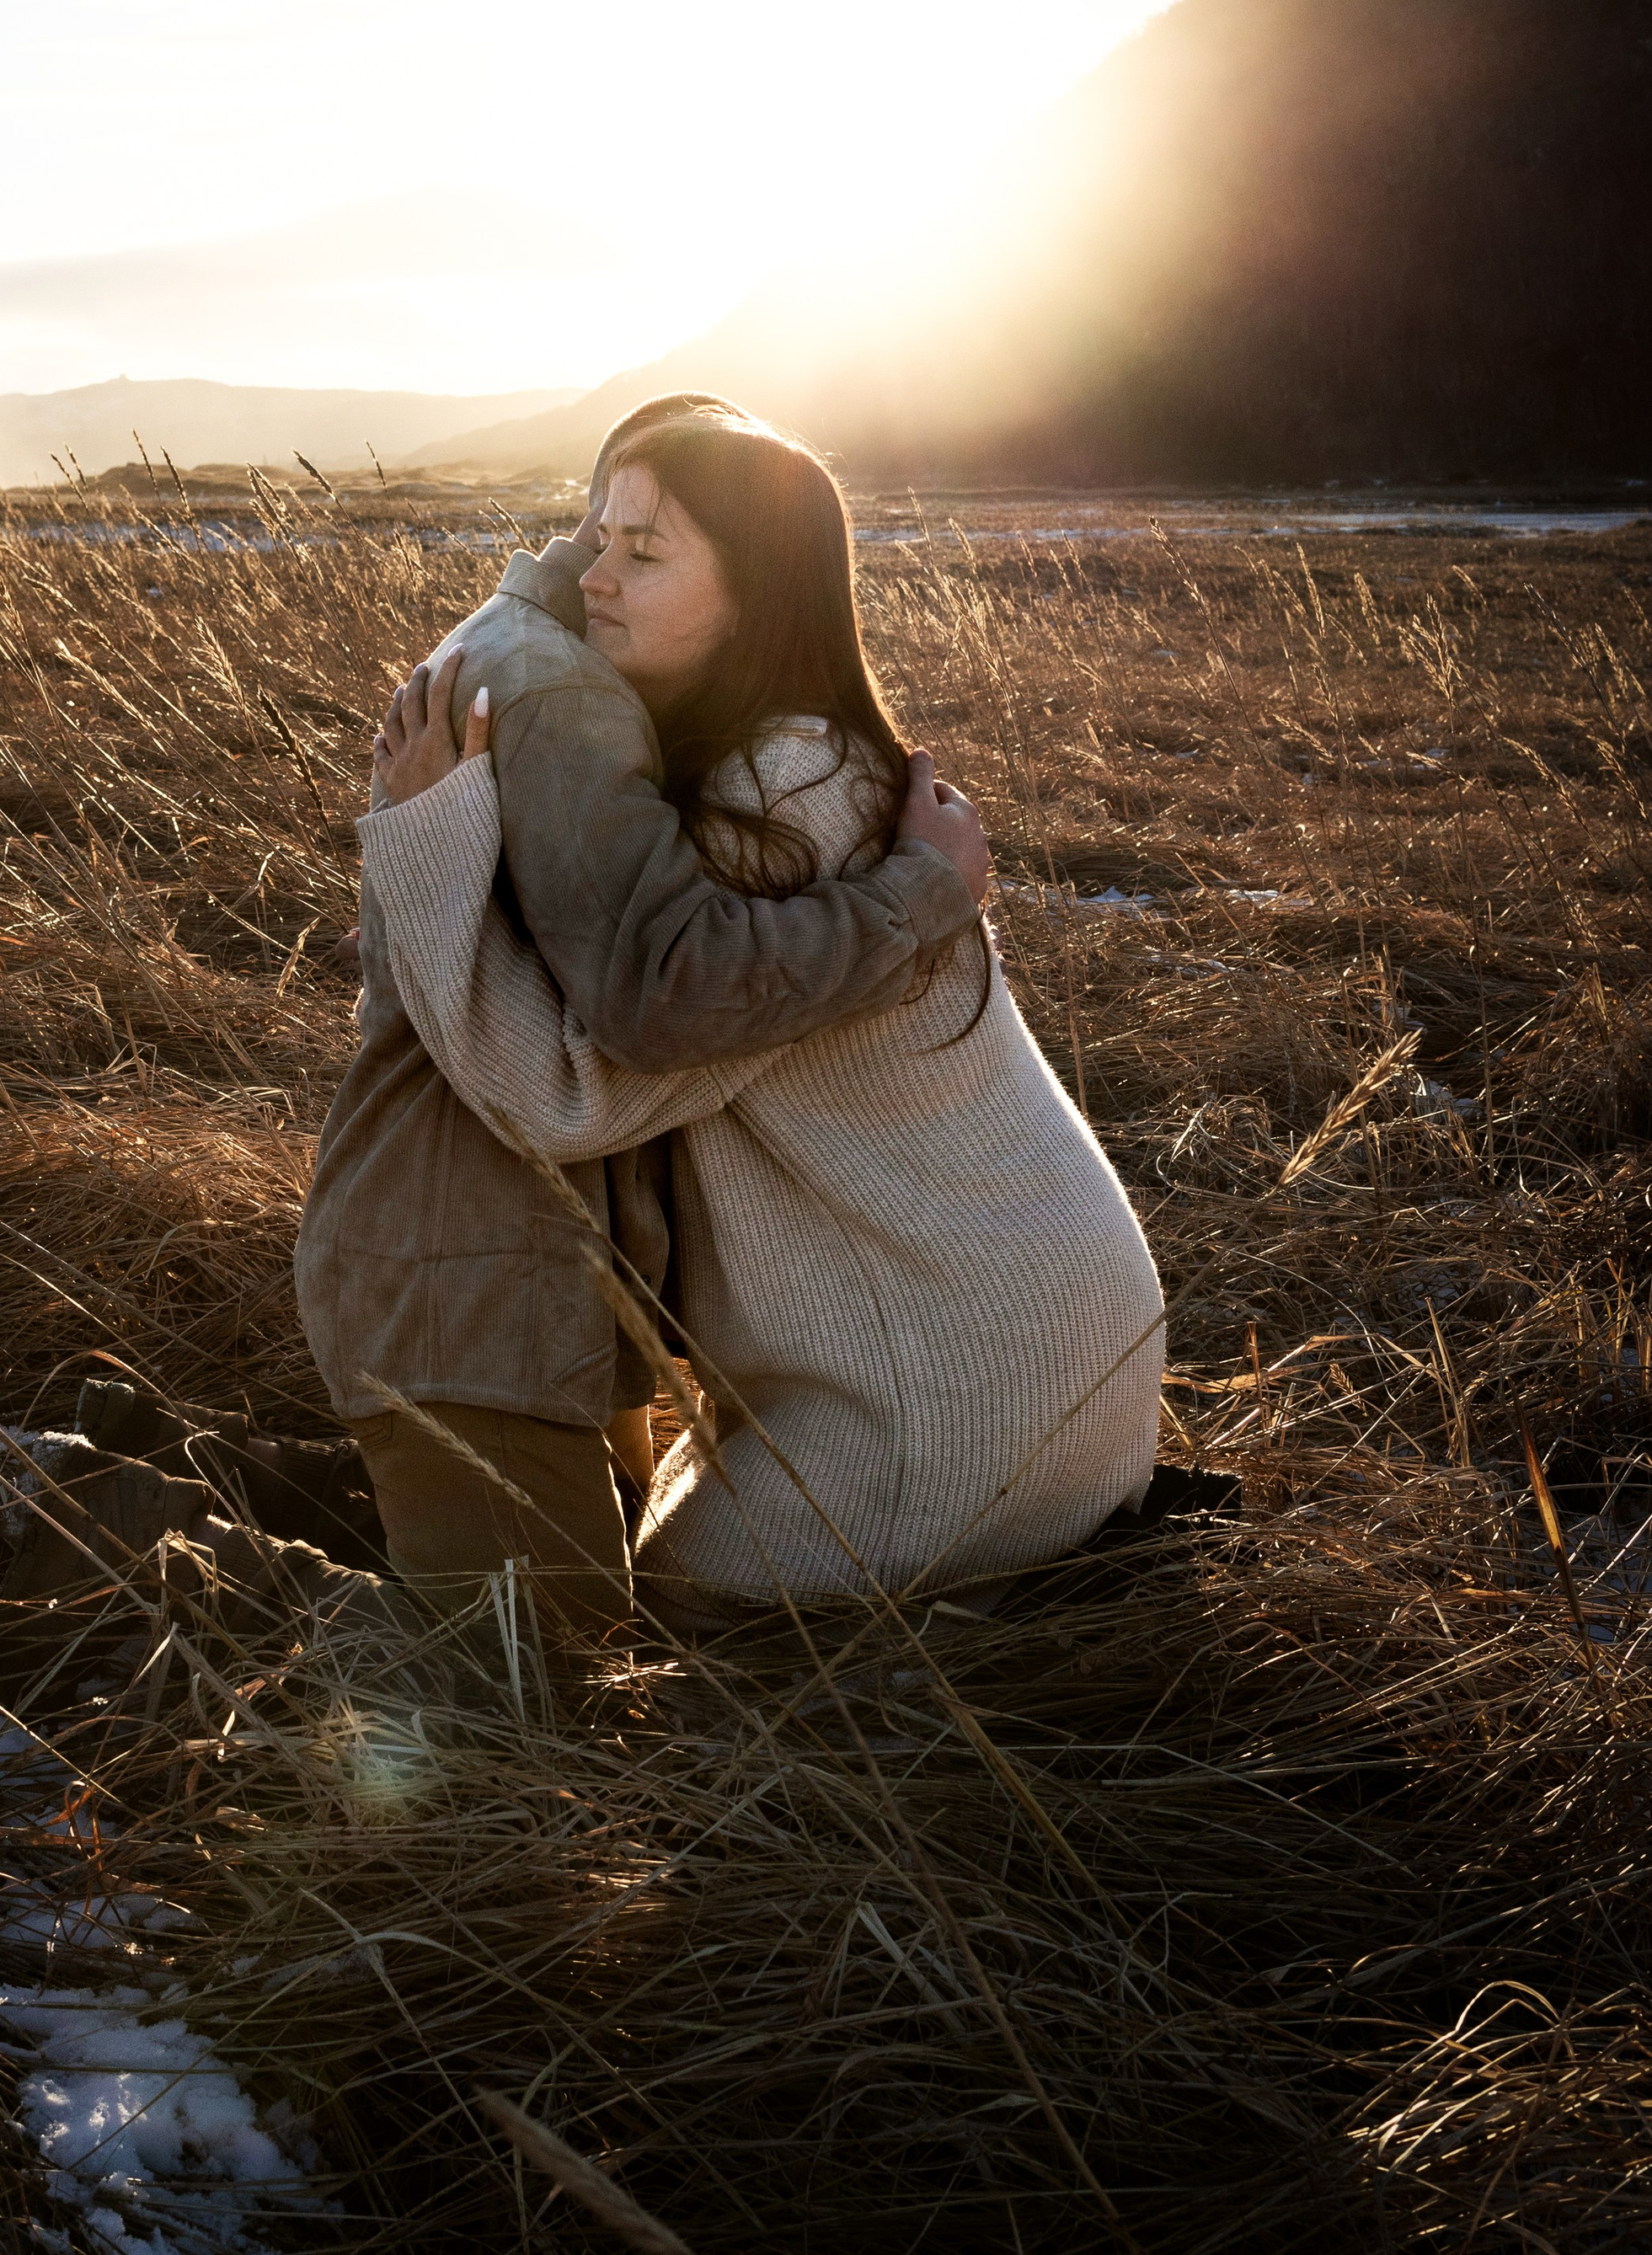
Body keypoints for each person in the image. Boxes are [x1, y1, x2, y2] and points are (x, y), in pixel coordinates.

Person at [362, 416, 1166, 1633]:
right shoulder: (801, 761)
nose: (594, 577)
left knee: (660, 1632)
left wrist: (434, 833)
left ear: (756, 595)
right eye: (598, 541)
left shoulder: (779, 806)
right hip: (1036, 1343)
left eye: (646, 552)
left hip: (960, 1389)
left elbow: (557, 1099)